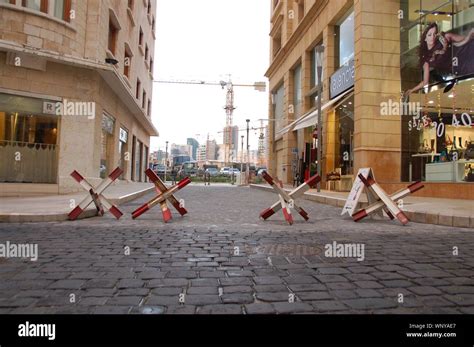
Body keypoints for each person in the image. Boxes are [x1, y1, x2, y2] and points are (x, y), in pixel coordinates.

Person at [405, 23, 474, 96]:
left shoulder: (444, 38)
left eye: (434, 34)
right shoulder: (426, 59)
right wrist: (412, 90)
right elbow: (425, 82)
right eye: (429, 35)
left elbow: (464, 40)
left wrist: (469, 35)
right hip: (462, 67)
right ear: (425, 38)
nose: (432, 37)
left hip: (466, 52)